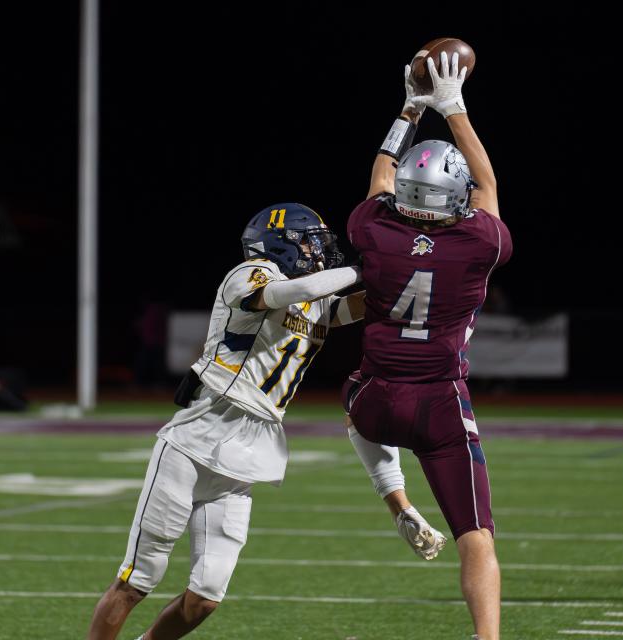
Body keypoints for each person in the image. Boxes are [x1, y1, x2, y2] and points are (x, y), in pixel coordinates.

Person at [87, 203, 440, 639]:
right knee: (137, 579)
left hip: (250, 449)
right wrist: (361, 267)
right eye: (309, 242)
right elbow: (295, 291)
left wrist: (413, 270)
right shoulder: (251, 273)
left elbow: (362, 306)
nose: (317, 252)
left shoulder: (314, 299)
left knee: (206, 597)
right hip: (198, 437)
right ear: (281, 243)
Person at [341, 52, 512, 639]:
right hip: (440, 404)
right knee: (476, 539)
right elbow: (488, 184)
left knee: (356, 403)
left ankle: (397, 504)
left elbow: (382, 175)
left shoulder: (375, 230)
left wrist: (410, 108)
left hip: (376, 401)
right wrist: (454, 108)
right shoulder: (478, 243)